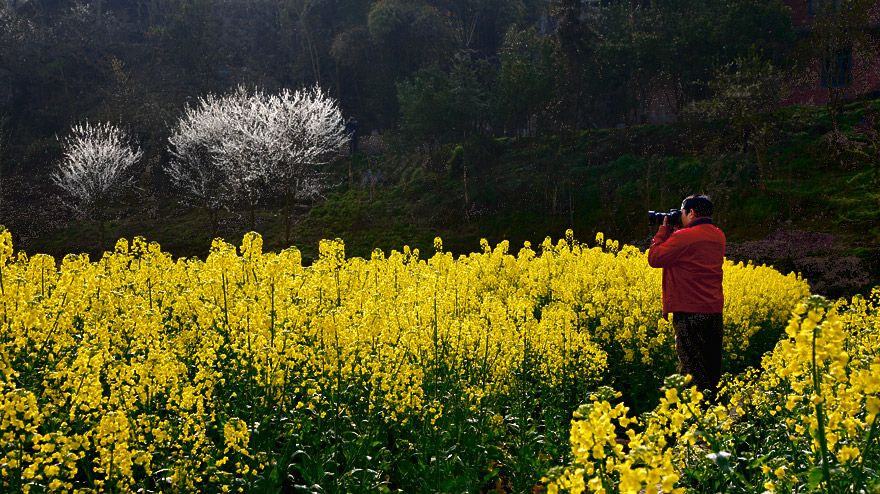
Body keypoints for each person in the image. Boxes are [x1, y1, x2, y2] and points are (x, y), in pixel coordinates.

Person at [647, 194, 726, 397]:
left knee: (692, 369)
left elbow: (655, 258)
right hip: (713, 310)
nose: (679, 216)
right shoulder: (718, 235)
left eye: (682, 212)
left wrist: (663, 231)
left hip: (689, 311)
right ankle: (713, 410)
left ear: (691, 213)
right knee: (710, 365)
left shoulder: (683, 237)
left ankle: (697, 419)